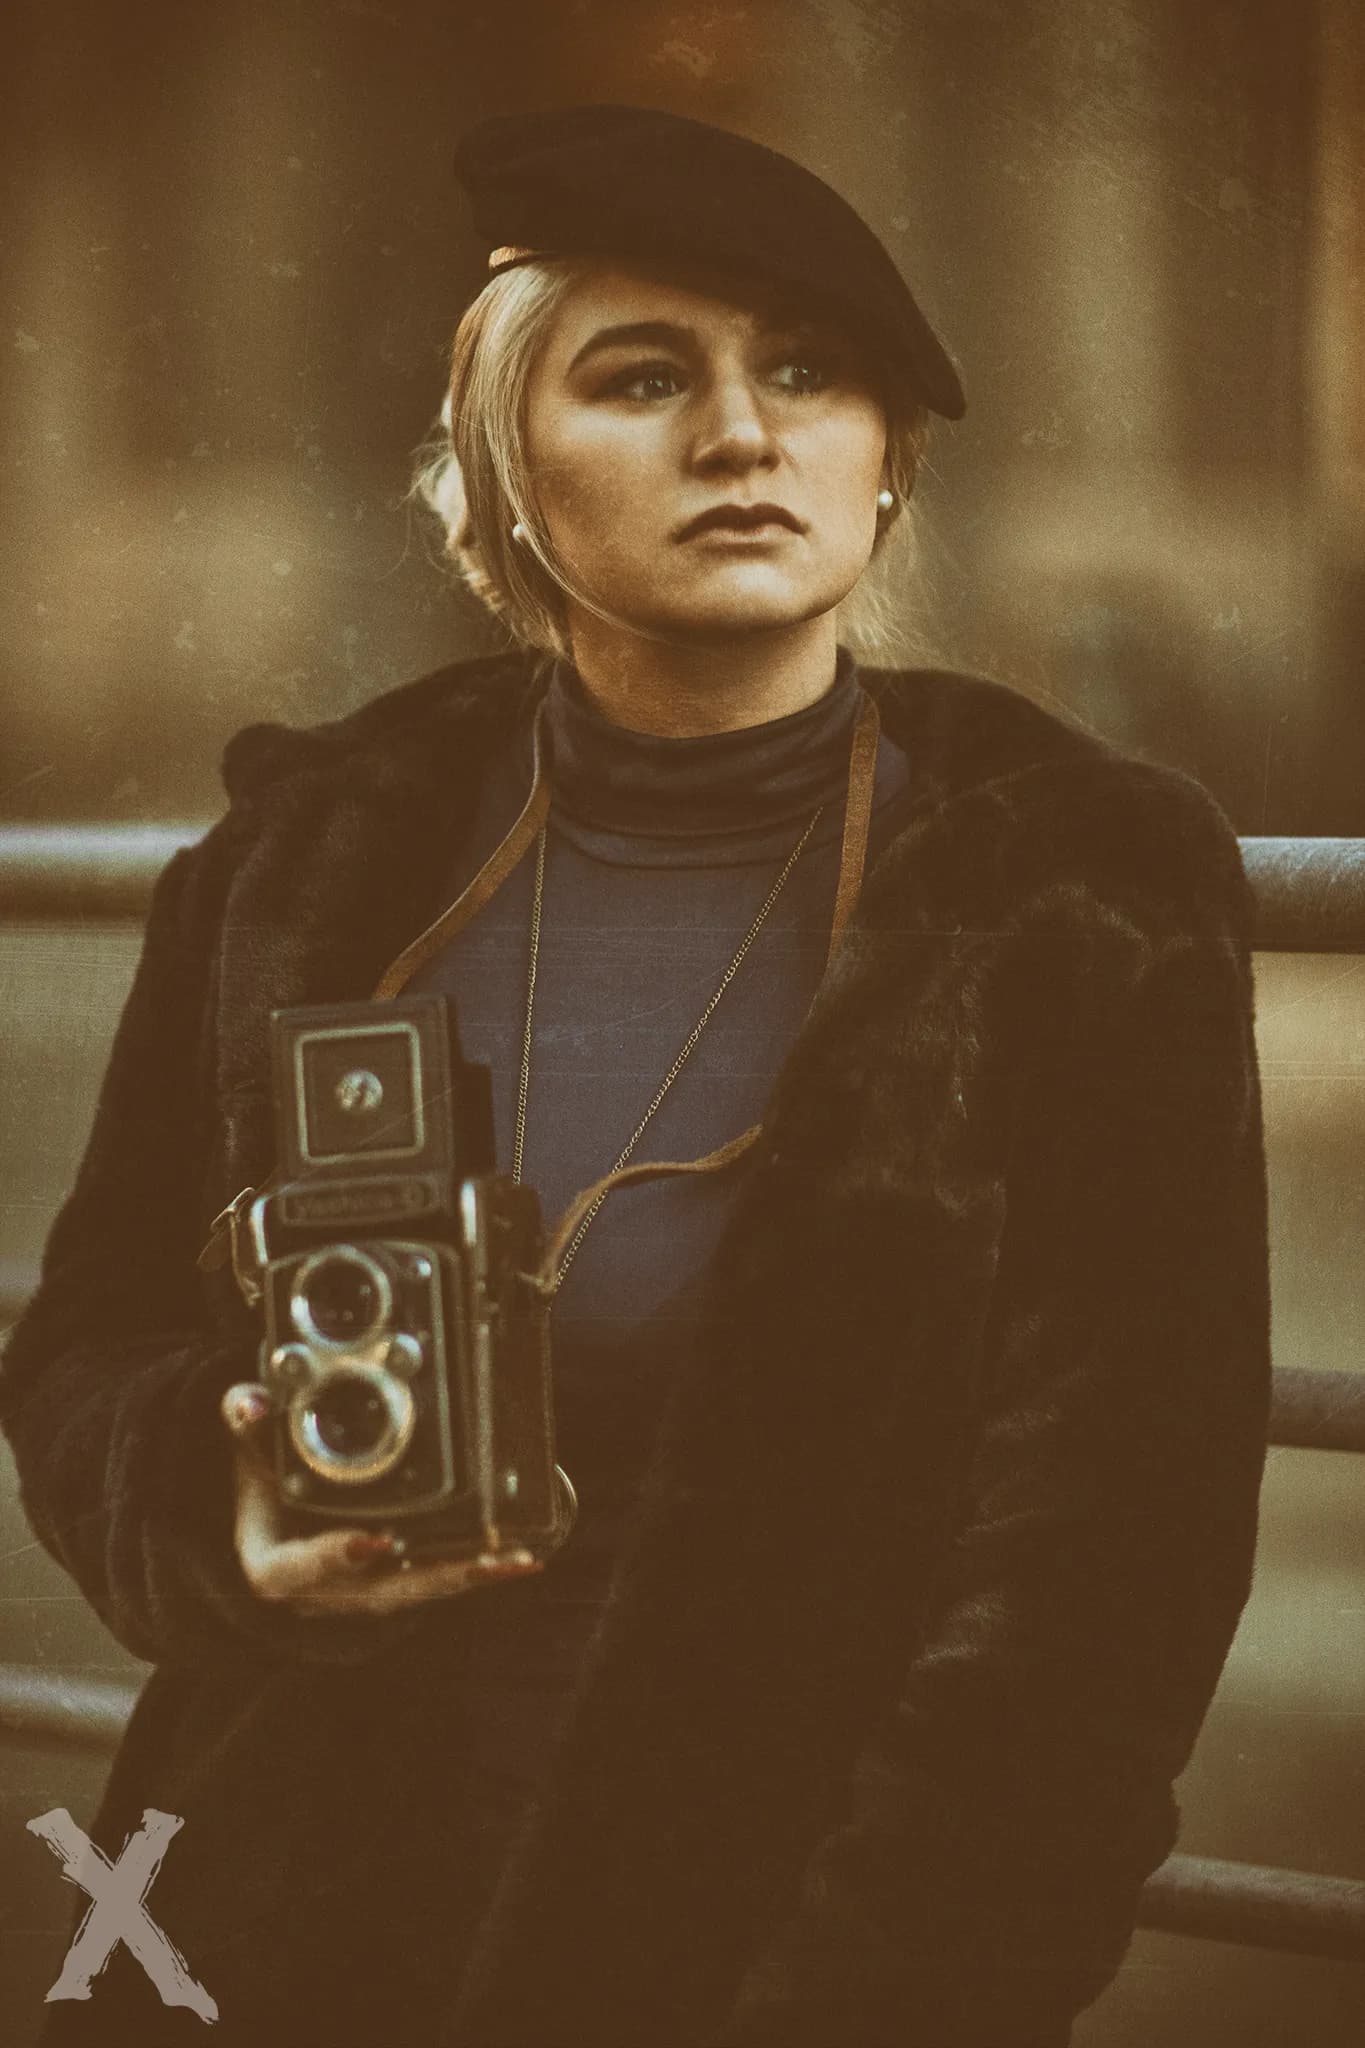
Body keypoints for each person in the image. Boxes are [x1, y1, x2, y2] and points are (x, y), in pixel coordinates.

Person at [0, 104, 1271, 2048]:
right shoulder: (320, 848)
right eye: (643, 375)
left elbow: (1103, 1590)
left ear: (885, 470)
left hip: (752, 1935)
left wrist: (878, 1993)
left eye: (806, 374)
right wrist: (213, 1503)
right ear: (503, 464)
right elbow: (86, 1332)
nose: (742, 435)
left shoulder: (1064, 882)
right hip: (271, 1905)